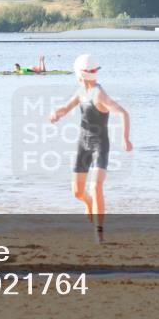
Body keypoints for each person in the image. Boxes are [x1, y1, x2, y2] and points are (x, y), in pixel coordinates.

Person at [49, 53, 132, 244]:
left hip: (99, 145)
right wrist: (56, 114)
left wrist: (125, 138)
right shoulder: (81, 92)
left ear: (79, 74)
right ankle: (88, 202)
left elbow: (123, 113)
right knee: (77, 192)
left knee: (96, 186)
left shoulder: (99, 94)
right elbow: (66, 108)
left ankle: (98, 233)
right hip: (82, 144)